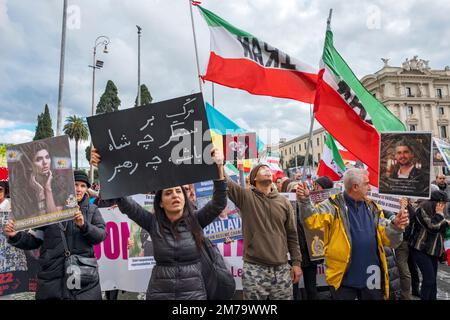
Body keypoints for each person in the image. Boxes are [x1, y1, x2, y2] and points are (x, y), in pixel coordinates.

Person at [90, 146, 227, 300]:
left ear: (185, 197)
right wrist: (104, 168)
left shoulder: (196, 220)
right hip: (160, 294)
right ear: (160, 202)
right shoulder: (152, 222)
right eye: (168, 193)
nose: (175, 195)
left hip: (194, 295)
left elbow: (219, 203)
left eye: (178, 191)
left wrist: (219, 168)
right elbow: (124, 201)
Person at [296, 168, 408, 300]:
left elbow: (389, 239)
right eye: (366, 183)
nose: (370, 187)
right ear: (355, 187)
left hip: (372, 274)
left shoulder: (373, 207)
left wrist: (395, 226)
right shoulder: (332, 205)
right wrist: (304, 201)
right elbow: (312, 221)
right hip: (343, 276)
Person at [3, 170, 107, 300]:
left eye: (83, 185)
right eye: (75, 184)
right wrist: (15, 236)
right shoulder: (48, 211)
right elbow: (35, 240)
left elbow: (101, 236)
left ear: (87, 189)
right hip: (52, 279)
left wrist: (84, 225)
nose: (79, 189)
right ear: (68, 186)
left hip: (83, 279)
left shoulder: (92, 210)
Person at [225, 163, 302, 300]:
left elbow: (292, 235)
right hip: (255, 269)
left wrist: (296, 263)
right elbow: (227, 183)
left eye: (268, 169)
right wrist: (218, 165)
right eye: (262, 169)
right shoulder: (245, 197)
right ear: (254, 178)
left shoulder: (284, 202)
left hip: (281, 269)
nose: (267, 171)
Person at [408, 189, 450, 300]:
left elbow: (441, 226)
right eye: (444, 203)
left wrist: (445, 222)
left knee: (433, 281)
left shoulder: (439, 213)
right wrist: (440, 215)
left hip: (433, 250)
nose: (445, 206)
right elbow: (433, 227)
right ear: (438, 203)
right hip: (420, 249)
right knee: (429, 279)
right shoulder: (421, 210)